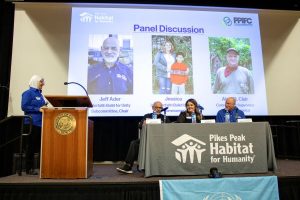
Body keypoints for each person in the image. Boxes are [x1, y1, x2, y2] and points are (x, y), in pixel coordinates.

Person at [116, 101, 170, 174]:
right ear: (152, 108)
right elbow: (139, 126)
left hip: (160, 141)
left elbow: (169, 129)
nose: (158, 109)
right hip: (147, 140)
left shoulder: (165, 118)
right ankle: (128, 166)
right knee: (134, 143)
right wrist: (143, 124)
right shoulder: (147, 116)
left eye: (160, 107)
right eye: (156, 107)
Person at [21, 75, 48, 175]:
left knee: (40, 147)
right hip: (32, 124)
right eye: (41, 82)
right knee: (31, 146)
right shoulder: (28, 93)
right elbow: (24, 106)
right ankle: (29, 168)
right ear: (35, 82)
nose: (43, 84)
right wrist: (38, 109)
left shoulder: (40, 94)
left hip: (42, 124)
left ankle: (42, 168)